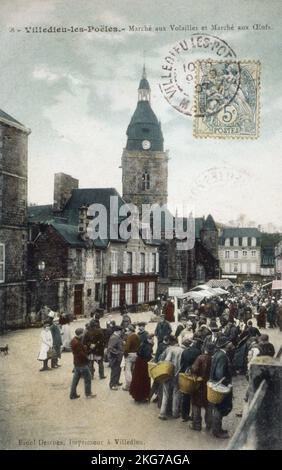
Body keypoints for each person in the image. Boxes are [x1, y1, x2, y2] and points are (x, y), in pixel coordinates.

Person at [209, 336, 233, 439]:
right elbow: (220, 374)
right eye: (229, 343)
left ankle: (217, 429)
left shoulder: (218, 354)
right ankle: (217, 431)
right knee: (220, 408)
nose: (231, 344)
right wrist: (227, 383)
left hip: (216, 384)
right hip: (221, 386)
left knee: (217, 407)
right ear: (225, 345)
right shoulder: (222, 356)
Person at [158, 336, 185, 420]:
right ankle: (175, 412)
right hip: (177, 374)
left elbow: (161, 359)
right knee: (176, 393)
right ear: (177, 342)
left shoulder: (168, 349)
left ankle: (162, 413)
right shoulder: (182, 350)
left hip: (167, 373)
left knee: (165, 393)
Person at [190, 343, 214, 432]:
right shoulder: (214, 359)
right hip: (210, 386)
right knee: (208, 406)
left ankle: (196, 425)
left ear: (205, 349)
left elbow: (194, 369)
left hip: (199, 385)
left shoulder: (200, 358)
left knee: (196, 405)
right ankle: (209, 425)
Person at [179, 337, 202, 422]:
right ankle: (194, 416)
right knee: (195, 396)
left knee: (186, 395)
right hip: (194, 376)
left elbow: (181, 364)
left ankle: (184, 416)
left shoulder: (185, 351)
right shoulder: (199, 352)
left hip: (186, 375)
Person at [70, 328, 96, 399]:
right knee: (88, 378)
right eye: (83, 333)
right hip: (82, 364)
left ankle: (72, 394)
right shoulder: (78, 343)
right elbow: (82, 355)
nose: (84, 334)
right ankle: (88, 394)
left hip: (76, 363)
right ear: (80, 334)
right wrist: (88, 354)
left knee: (75, 380)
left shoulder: (73, 340)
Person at [130, 334, 154, 402]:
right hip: (144, 364)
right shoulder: (148, 346)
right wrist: (152, 358)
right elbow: (147, 355)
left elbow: (138, 352)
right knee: (144, 379)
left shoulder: (142, 344)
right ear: (149, 339)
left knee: (137, 378)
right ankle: (142, 396)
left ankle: (136, 395)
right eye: (152, 339)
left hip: (138, 363)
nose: (153, 341)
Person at [123, 324, 141, 391]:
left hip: (130, 355)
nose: (126, 332)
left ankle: (128, 385)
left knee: (127, 371)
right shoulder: (137, 336)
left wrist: (125, 354)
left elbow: (127, 348)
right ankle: (134, 384)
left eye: (127, 330)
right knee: (134, 370)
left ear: (130, 330)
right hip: (136, 354)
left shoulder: (130, 337)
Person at [107, 325, 124, 390]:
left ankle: (116, 382)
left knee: (118, 370)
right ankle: (112, 385)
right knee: (114, 371)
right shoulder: (114, 337)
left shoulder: (117, 336)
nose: (121, 332)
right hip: (114, 358)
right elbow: (110, 348)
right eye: (120, 331)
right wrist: (118, 352)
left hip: (118, 357)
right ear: (117, 331)